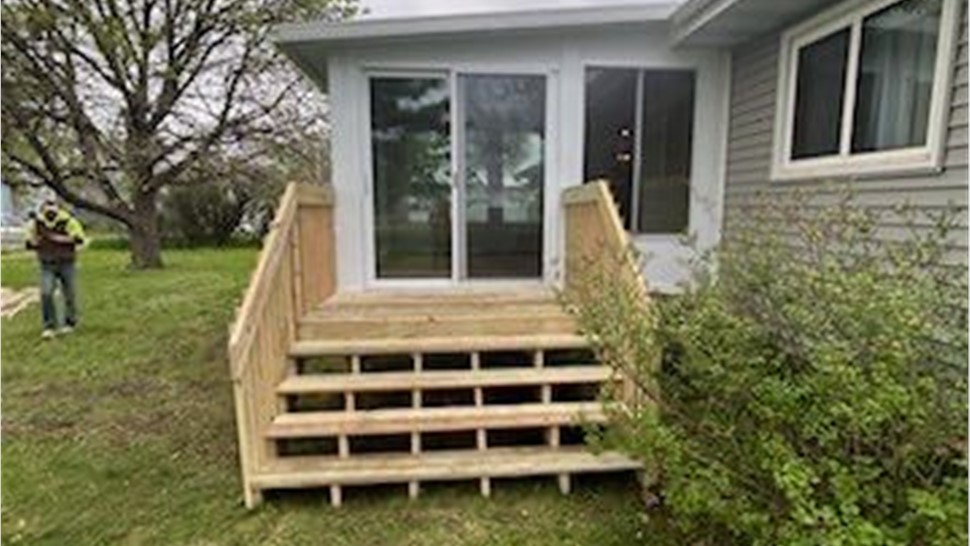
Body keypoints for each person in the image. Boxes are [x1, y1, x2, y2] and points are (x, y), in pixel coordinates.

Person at [25, 199, 86, 339]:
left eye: (53, 209)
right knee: (46, 292)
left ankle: (69, 323)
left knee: (69, 293)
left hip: (67, 262)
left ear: (58, 210)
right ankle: (49, 326)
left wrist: (58, 239)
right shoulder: (35, 223)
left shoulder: (68, 221)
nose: (50, 212)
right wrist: (35, 242)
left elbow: (79, 238)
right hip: (47, 263)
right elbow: (29, 242)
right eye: (47, 210)